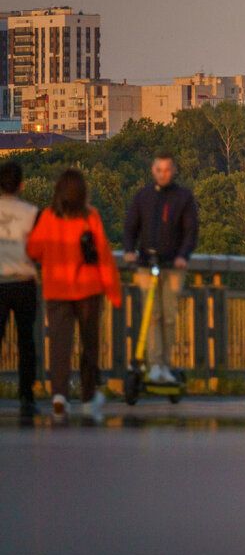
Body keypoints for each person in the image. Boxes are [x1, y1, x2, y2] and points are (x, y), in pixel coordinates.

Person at [26, 169, 122, 421]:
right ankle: (88, 397)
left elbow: (33, 250)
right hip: (88, 290)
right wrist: (114, 292)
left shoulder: (48, 217)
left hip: (56, 289)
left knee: (60, 344)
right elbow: (103, 256)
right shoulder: (90, 217)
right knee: (89, 344)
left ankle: (59, 395)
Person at [122, 152, 198, 384]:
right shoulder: (143, 196)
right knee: (152, 315)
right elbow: (130, 226)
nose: (163, 174)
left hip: (173, 266)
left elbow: (191, 231)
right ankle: (154, 365)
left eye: (167, 169)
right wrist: (128, 250)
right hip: (147, 264)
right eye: (159, 170)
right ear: (153, 171)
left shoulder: (183, 197)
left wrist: (183, 255)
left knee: (169, 317)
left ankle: (166, 364)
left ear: (174, 171)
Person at [0, 163, 41, 419]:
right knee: (27, 341)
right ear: (21, 185)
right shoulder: (32, 212)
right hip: (24, 280)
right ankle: (27, 394)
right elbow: (39, 247)